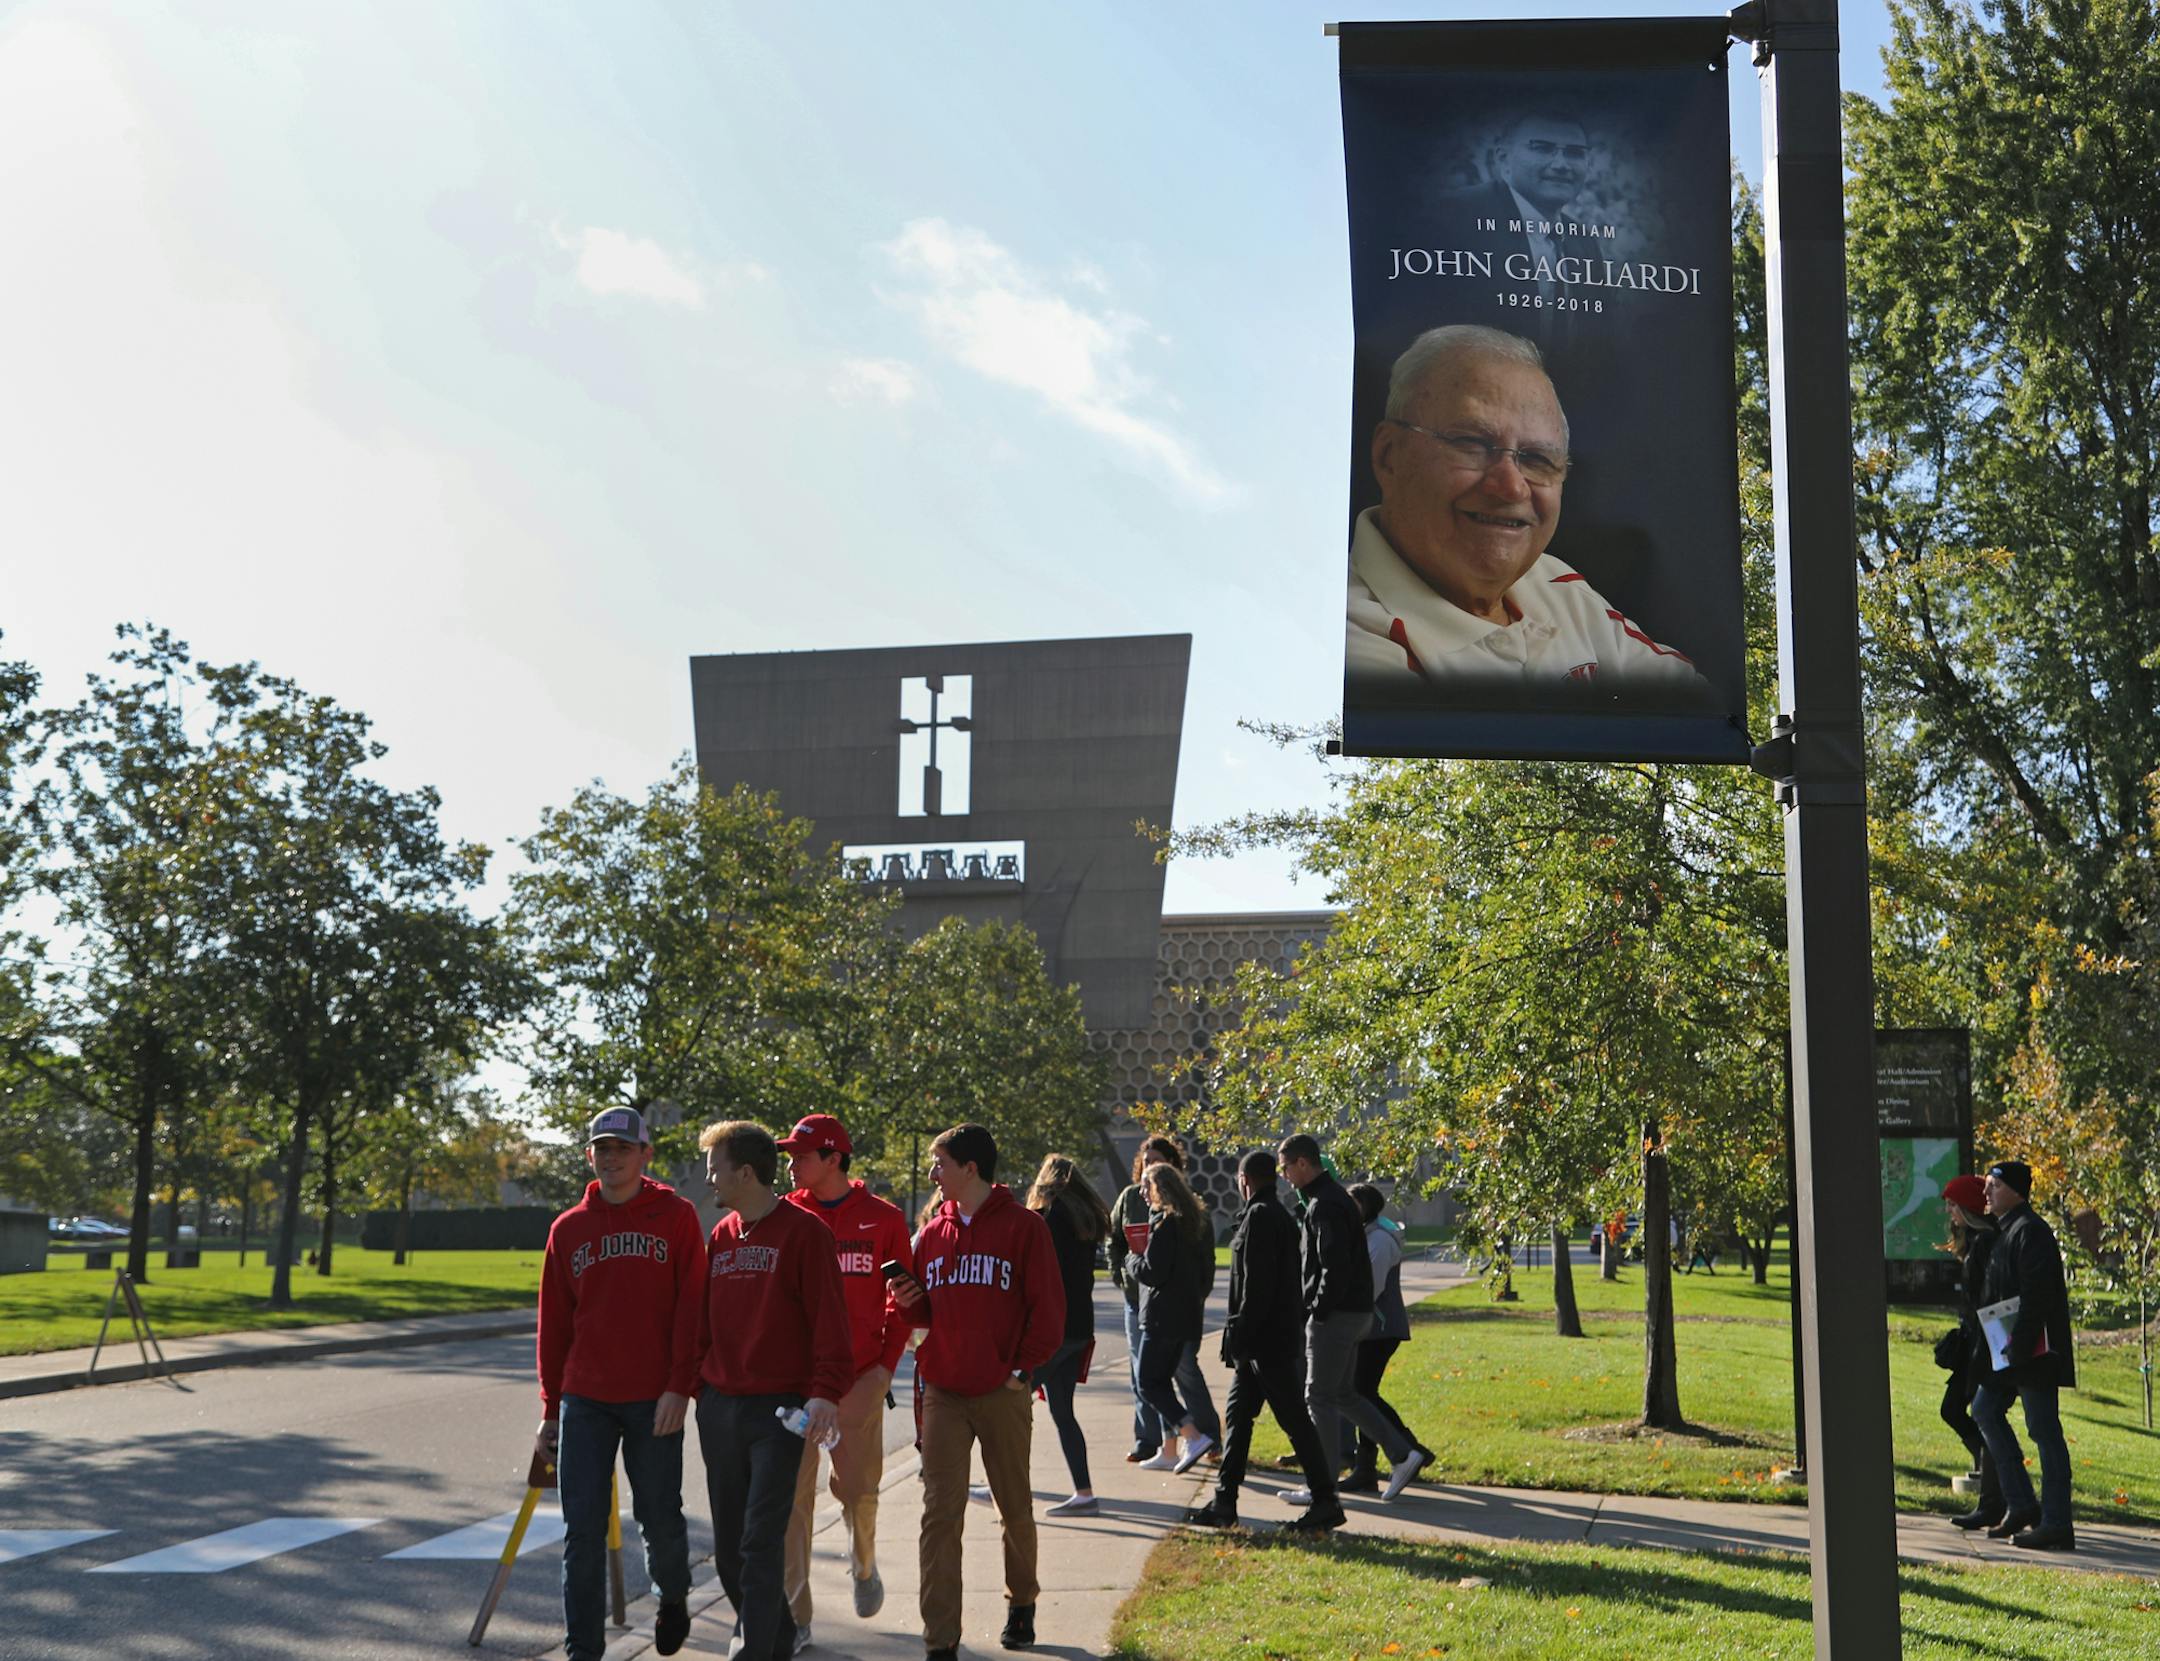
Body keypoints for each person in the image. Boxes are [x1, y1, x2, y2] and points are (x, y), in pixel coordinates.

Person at [1344, 325, 1713, 698]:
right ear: (1389, 456)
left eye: (1537, 458)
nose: (1511, 487)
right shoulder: (1356, 647)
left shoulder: (1554, 583)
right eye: (1471, 443)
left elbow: (1694, 706)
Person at [887, 1123, 1065, 1659]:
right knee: (939, 1514)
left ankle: (1022, 1601)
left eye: (940, 1163)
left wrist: (1021, 1371)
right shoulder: (930, 1233)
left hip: (1001, 1391)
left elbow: (1050, 1311)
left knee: (1014, 1505)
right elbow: (918, 1314)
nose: (932, 1173)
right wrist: (902, 1298)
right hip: (943, 1389)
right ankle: (940, 1638)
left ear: (970, 1168)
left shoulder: (1024, 1227)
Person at [535, 1107, 706, 1661]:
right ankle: (582, 1649)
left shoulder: (676, 1217)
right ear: (590, 1157)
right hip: (585, 1399)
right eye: (602, 1149)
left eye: (622, 1149)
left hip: (653, 1397)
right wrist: (550, 1408)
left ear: (644, 1155)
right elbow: (554, 1325)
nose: (611, 1159)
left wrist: (681, 1385)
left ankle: (673, 1596)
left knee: (658, 1514)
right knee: (580, 1532)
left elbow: (692, 1309)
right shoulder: (569, 1228)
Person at [694, 1120, 854, 1660]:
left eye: (714, 1167)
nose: (708, 1177)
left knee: (761, 1542)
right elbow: (703, 1324)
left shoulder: (806, 1233)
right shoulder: (721, 1235)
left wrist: (826, 1391)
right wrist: (701, 1387)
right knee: (728, 1556)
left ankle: (754, 1649)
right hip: (720, 1407)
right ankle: (780, 1637)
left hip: (780, 1412)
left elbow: (831, 1322)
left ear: (744, 1172)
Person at [775, 1113, 915, 1645]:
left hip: (858, 1378)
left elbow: (904, 1299)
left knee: (857, 1491)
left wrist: (884, 1368)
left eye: (801, 1156)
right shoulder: (784, 1215)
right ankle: (797, 1617)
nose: (791, 1165)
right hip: (794, 1383)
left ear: (834, 1158)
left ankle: (863, 1564)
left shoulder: (881, 1219)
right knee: (793, 1500)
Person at [1185, 1149, 1343, 1533]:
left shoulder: (1260, 1217)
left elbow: (1256, 1286)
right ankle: (1225, 1501)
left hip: (1265, 1342)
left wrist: (1237, 1335)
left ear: (1244, 1181)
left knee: (1294, 1421)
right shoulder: (1279, 1216)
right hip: (1264, 1341)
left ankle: (1325, 1501)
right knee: (1238, 1419)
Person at [1279, 1134, 1429, 1506]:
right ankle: (1402, 1453)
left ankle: (1322, 1485)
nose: (1284, 1176)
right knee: (1345, 1394)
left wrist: (1317, 1309)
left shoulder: (1323, 1205)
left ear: (1302, 1163)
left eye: (1285, 1167)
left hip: (1337, 1315)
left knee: (1318, 1396)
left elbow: (1334, 1266)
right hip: (1357, 1314)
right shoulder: (1340, 1200)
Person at [1971, 1159, 2078, 1550]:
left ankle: (2056, 1523)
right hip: (2009, 1350)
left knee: (2044, 1431)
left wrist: (2018, 1345)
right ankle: (2020, 1504)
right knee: (1984, 1410)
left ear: (2016, 1190)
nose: (1986, 1194)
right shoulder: (2005, 1230)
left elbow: (2037, 1297)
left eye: (1993, 1187)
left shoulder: (2031, 1231)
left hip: (2032, 1352)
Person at [1106, 1137, 1222, 1462]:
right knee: (1157, 1380)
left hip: (1162, 1316)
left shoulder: (1167, 1224)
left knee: (1148, 1382)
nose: (1143, 1193)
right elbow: (1115, 1240)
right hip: (1175, 1314)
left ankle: (1195, 1435)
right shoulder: (1185, 1218)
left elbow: (1153, 1271)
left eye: (1148, 1186)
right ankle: (1174, 1443)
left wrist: (1132, 1259)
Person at [1024, 1154, 1112, 1515]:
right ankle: (1084, 1491)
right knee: (1062, 1412)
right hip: (1079, 1328)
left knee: (1007, 1403)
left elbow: (1043, 1277)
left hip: (1053, 1329)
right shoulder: (1084, 1219)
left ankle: (1008, 1484)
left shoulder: (1051, 1219)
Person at [1344, 1184, 1427, 1495]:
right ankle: (1382, 1460)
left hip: (1378, 1329)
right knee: (1361, 1393)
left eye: (1352, 1203)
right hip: (1371, 1328)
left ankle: (1401, 1452)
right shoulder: (1367, 1235)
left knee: (1359, 1393)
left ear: (1365, 1206)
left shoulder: (1379, 1240)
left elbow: (1371, 1288)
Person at [1938, 1174, 2004, 1531]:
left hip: (1982, 1346)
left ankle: (1996, 1492)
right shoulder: (1974, 1242)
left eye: (1953, 1204)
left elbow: (1985, 1301)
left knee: (1981, 1413)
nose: (1949, 1211)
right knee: (1966, 1411)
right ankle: (1994, 1485)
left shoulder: (1985, 1243)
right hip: (1974, 1343)